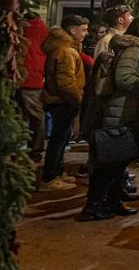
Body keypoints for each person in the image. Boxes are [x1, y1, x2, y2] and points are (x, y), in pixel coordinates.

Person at [79, 32, 139, 221]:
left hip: (124, 110)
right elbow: (124, 78)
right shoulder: (133, 50)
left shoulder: (133, 49)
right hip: (120, 111)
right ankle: (94, 206)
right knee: (109, 162)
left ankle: (111, 202)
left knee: (117, 162)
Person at [38, 15, 89, 191]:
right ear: (73, 30)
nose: (86, 33)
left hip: (60, 100)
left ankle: (57, 172)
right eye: (83, 30)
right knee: (58, 139)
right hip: (62, 101)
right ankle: (50, 177)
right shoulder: (66, 51)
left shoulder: (64, 48)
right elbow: (65, 82)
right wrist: (78, 99)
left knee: (61, 138)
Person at [18, 12, 49, 159]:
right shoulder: (44, 31)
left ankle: (13, 149)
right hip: (34, 81)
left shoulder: (18, 29)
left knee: (18, 115)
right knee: (37, 117)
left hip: (16, 78)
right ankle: (36, 150)